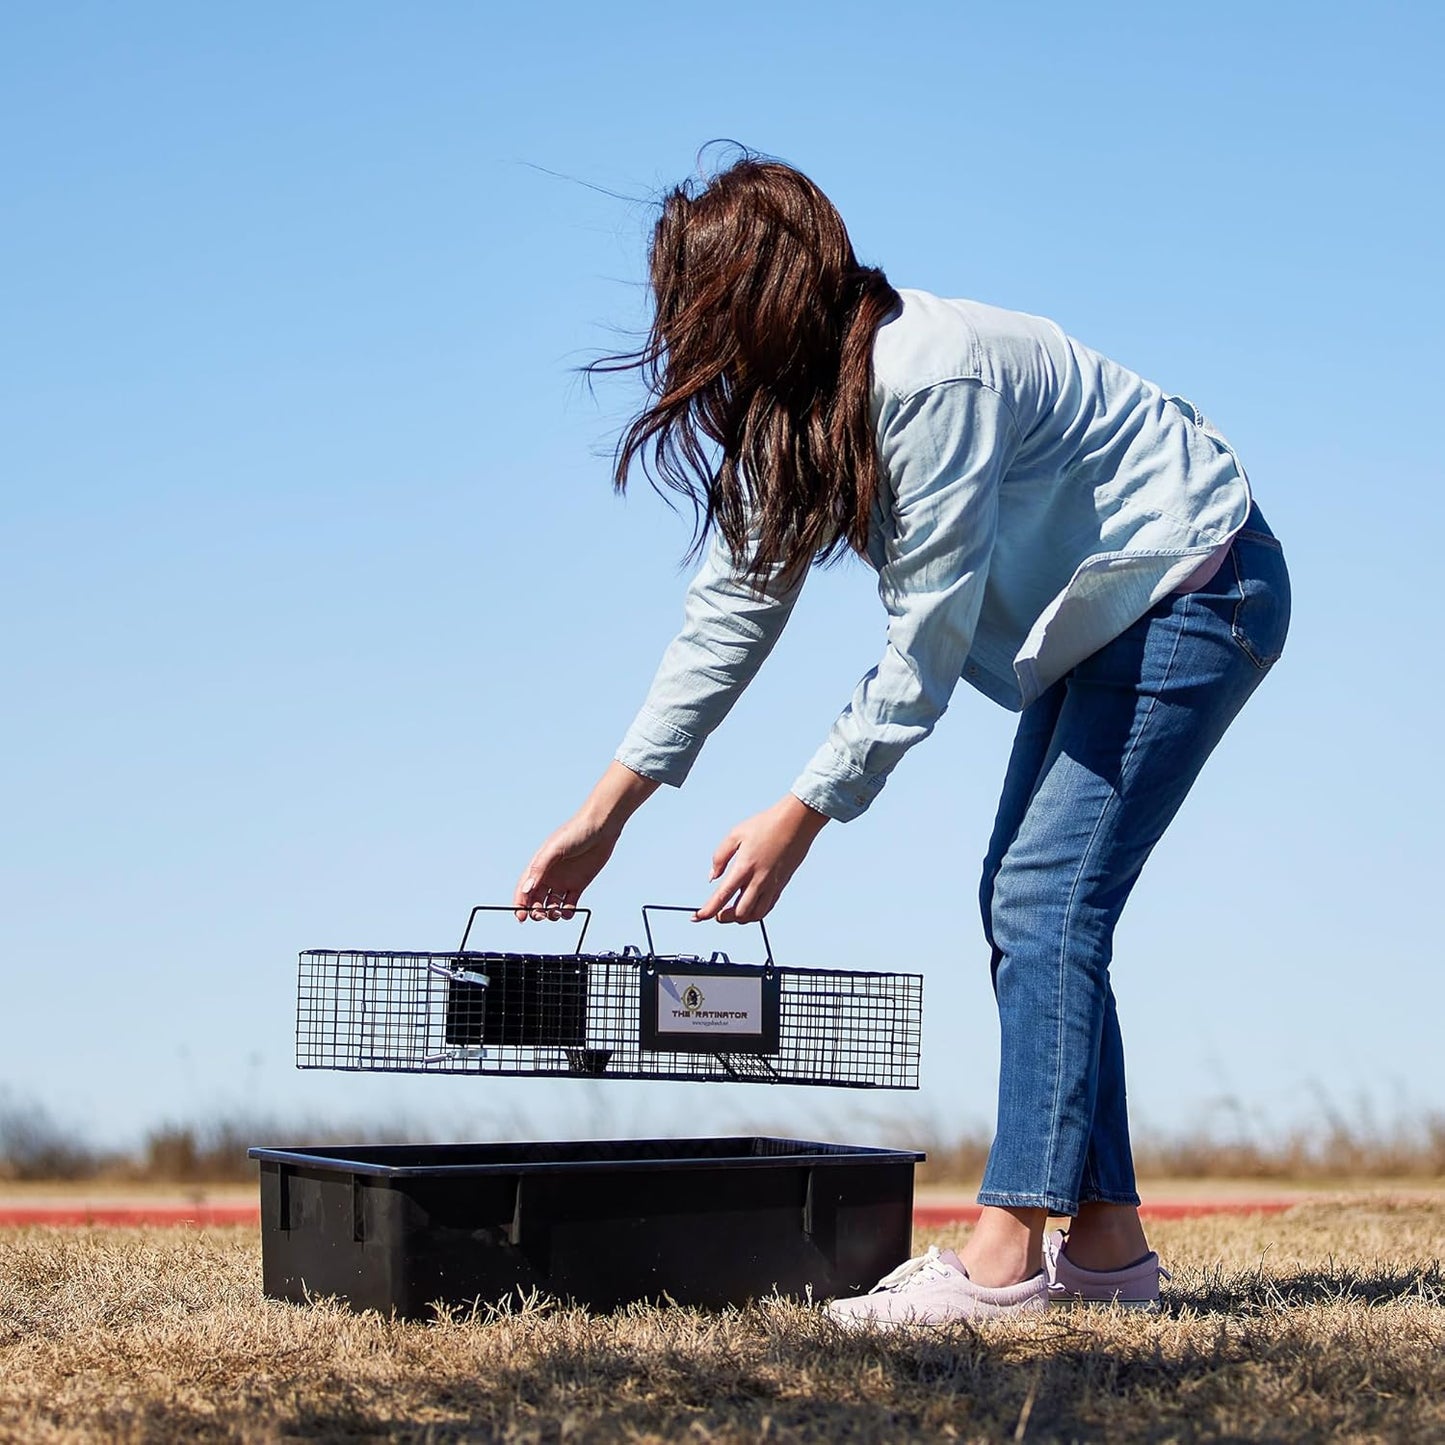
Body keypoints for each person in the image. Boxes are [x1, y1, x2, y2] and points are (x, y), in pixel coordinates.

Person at [514, 153, 1291, 1325]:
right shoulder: (807, 413)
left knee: (1041, 903)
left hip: (1194, 581)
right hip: (1106, 618)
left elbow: (920, 652)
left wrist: (800, 812)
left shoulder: (925, 380)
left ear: (766, 298)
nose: (688, 346)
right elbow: (730, 610)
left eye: (703, 312)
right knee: (1029, 902)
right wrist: (601, 816)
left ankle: (1003, 1255)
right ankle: (1109, 1247)